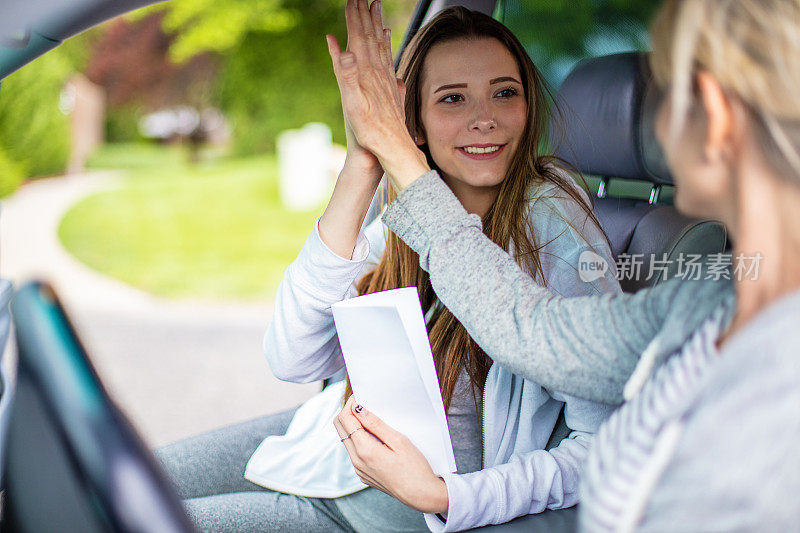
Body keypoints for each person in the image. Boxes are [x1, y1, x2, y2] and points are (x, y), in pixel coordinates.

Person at [331, 0, 800, 531]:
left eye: (670, 97)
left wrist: (448, 497)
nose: (655, 123)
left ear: (716, 117)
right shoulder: (700, 300)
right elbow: (532, 330)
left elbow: (532, 336)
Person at [157, 3, 621, 532]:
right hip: (324, 451)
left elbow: (606, 441)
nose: (485, 117)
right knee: (121, 484)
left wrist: (443, 495)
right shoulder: (414, 214)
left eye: (505, 92)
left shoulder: (551, 220)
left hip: (370, 516)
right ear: (416, 125)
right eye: (452, 98)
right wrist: (363, 160)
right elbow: (292, 357)